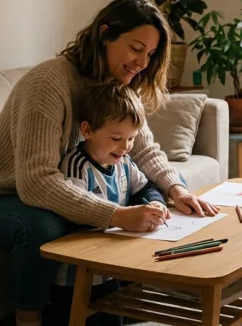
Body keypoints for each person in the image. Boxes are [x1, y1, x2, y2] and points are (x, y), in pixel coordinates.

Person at [0, 0, 220, 326]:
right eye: (136, 48)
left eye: (151, 54)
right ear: (105, 35)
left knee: (141, 197)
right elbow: (36, 182)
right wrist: (116, 215)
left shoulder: (119, 83)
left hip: (56, 187)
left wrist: (176, 189)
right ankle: (28, 317)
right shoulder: (48, 84)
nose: (143, 62)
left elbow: (143, 148)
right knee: (46, 227)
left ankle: (119, 303)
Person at [49, 83, 165, 326]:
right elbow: (75, 213)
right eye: (116, 138)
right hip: (77, 275)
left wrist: (155, 203)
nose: (125, 147)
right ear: (87, 130)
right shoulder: (77, 166)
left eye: (131, 138)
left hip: (110, 266)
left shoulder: (124, 162)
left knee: (115, 317)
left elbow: (145, 188)